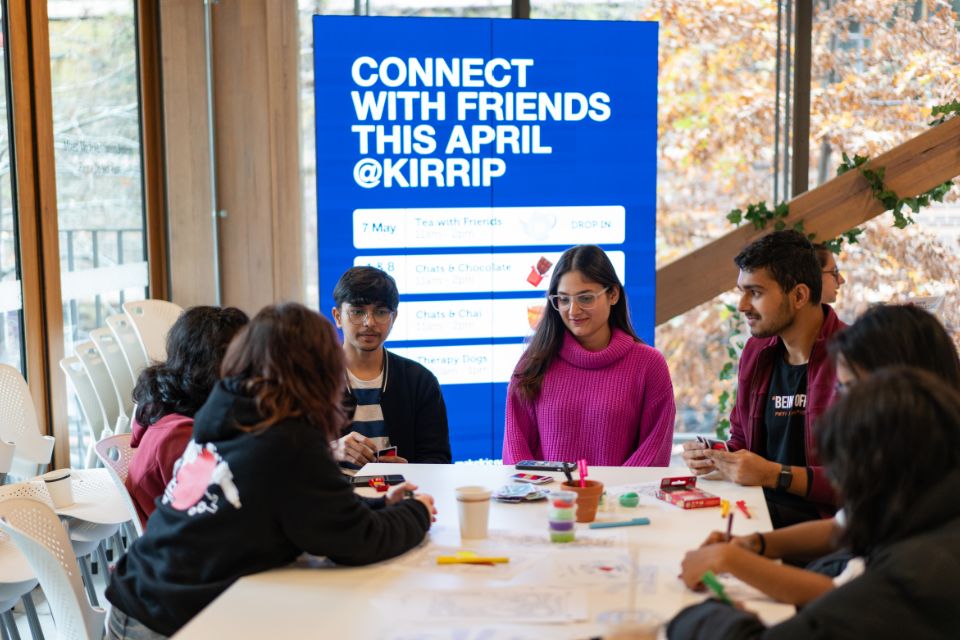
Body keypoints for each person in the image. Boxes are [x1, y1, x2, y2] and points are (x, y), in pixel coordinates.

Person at [106, 303, 436, 639]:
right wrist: (417, 512)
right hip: (165, 624)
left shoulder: (228, 414)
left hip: (139, 598)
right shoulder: (286, 440)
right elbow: (359, 541)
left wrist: (380, 506)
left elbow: (306, 509)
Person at [677, 304, 960, 606]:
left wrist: (733, 560)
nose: (843, 404)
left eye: (850, 388)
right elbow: (845, 525)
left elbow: (849, 598)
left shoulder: (931, 487)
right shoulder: (912, 454)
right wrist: (754, 544)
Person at [668, 367, 960, 639]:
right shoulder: (926, 514)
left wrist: (706, 614)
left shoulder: (909, 574)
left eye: (843, 470)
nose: (839, 485)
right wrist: (751, 547)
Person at [682, 230, 845, 528]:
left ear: (799, 296)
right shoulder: (757, 352)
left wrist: (773, 474)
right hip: (758, 509)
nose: (742, 305)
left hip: (827, 525)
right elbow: (743, 440)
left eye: (755, 292)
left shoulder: (853, 357)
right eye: (741, 291)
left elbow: (860, 479)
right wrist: (715, 455)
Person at [502, 244, 675, 466]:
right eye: (563, 299)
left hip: (624, 499)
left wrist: (611, 498)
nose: (573, 311)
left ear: (613, 294)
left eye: (585, 298)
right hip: (548, 500)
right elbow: (517, 451)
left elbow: (653, 449)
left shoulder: (649, 365)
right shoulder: (533, 363)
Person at [127, 305, 249, 528]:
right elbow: (220, 510)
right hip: (190, 553)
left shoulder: (168, 412)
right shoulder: (179, 437)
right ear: (215, 364)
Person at [330, 266, 451, 465]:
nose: (369, 322)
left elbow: (438, 460)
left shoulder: (419, 380)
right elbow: (285, 458)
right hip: (334, 496)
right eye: (358, 312)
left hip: (402, 493)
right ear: (337, 317)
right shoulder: (312, 380)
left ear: (393, 318)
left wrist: (411, 470)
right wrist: (330, 450)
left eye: (380, 312)